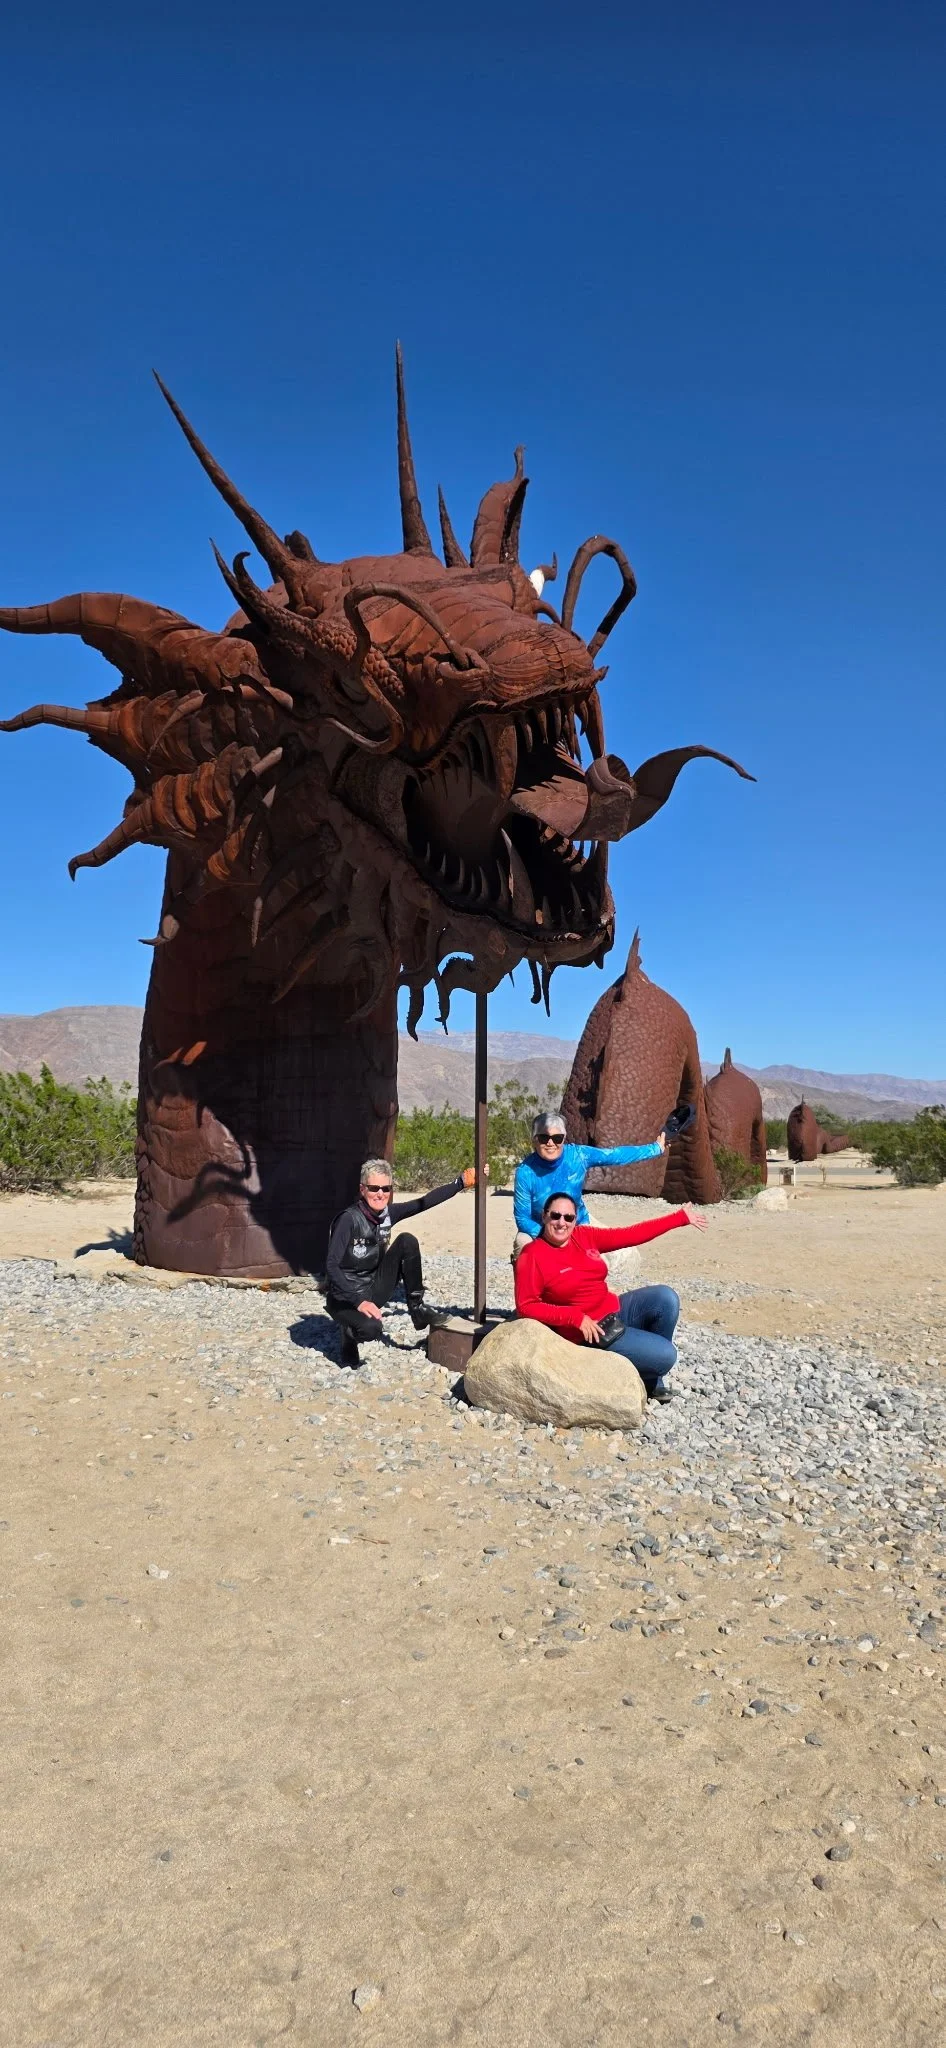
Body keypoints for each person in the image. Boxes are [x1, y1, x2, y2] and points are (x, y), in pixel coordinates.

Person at [514, 1189, 708, 1402]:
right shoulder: (532, 1254)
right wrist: (574, 1317)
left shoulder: (584, 1236)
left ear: (575, 1219)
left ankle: (651, 1379)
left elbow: (629, 1234)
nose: (562, 1223)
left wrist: (678, 1218)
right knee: (667, 1356)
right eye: (555, 1215)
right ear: (544, 1216)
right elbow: (526, 1305)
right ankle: (650, 1368)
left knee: (666, 1298)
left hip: (614, 1309)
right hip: (591, 1332)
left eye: (568, 1217)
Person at [325, 1157, 482, 1369]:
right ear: (362, 1189)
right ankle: (348, 1334)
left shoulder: (388, 1214)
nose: (380, 1194)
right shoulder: (348, 1220)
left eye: (386, 1188)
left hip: (371, 1289)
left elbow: (424, 1202)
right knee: (371, 1330)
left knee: (407, 1241)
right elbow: (331, 1266)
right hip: (344, 1298)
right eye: (374, 1188)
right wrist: (358, 1302)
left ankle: (417, 1310)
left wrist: (460, 1183)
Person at [512, 1110, 666, 1256]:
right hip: (541, 1229)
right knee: (522, 1242)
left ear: (564, 1139)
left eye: (557, 1138)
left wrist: (656, 1148)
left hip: (577, 1224)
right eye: (544, 1138)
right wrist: (551, 1236)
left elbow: (614, 1155)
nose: (551, 1143)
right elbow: (522, 1218)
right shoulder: (525, 1172)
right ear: (534, 1139)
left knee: (595, 1257)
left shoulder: (578, 1155)